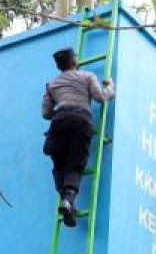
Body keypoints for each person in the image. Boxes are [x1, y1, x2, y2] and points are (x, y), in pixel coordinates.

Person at [42, 47, 115, 227]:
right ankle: (68, 201)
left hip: (59, 122)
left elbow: (46, 113)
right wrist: (110, 88)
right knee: (75, 164)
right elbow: (102, 98)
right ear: (74, 61)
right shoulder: (87, 76)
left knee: (59, 165)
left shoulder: (51, 85)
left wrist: (60, 103)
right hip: (81, 121)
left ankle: (66, 201)